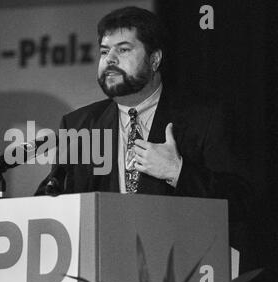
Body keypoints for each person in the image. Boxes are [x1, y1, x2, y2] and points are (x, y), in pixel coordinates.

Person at [35, 6, 251, 249]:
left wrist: (177, 171)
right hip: (101, 266)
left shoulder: (204, 118)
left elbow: (241, 202)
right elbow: (53, 202)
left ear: (155, 59)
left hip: (181, 267)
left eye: (124, 49)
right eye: (105, 51)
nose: (110, 59)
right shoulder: (79, 126)